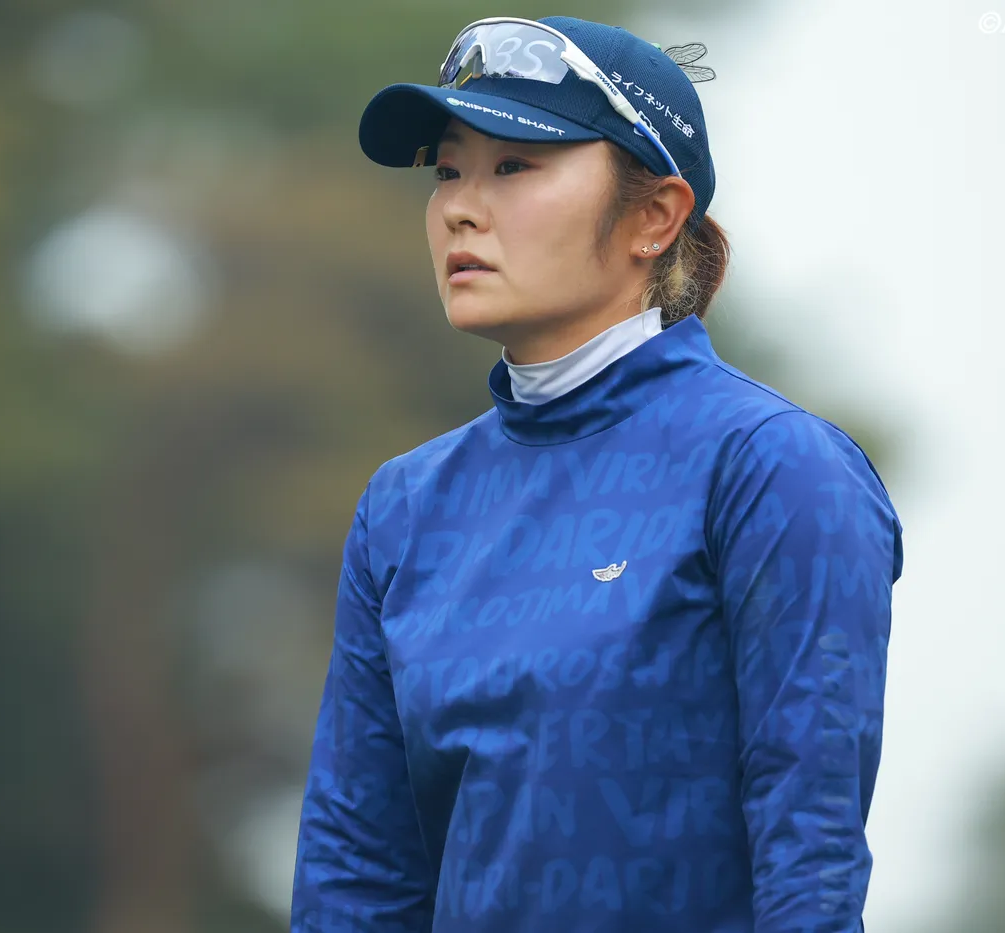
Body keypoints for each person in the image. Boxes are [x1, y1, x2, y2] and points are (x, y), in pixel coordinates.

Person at [290, 15, 904, 933]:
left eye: (514, 165)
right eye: (448, 172)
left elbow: (809, 863)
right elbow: (356, 875)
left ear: (655, 216)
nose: (460, 208)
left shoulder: (771, 466)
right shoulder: (405, 505)